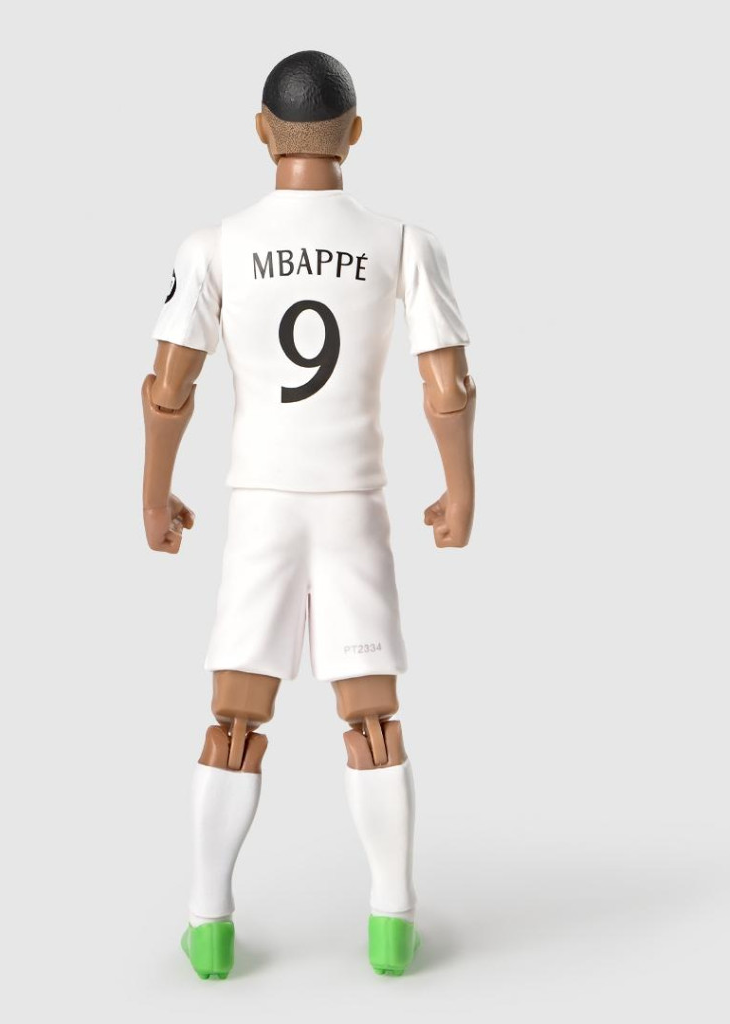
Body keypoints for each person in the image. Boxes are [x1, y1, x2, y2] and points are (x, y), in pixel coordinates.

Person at [142, 50, 475, 979]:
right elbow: (448, 385)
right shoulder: (403, 243)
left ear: (261, 132)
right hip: (354, 504)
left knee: (234, 716)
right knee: (372, 717)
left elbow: (167, 389)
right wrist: (461, 488)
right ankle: (392, 921)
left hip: (262, 507)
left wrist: (154, 493)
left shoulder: (213, 245)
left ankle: (209, 923)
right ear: (355, 134)